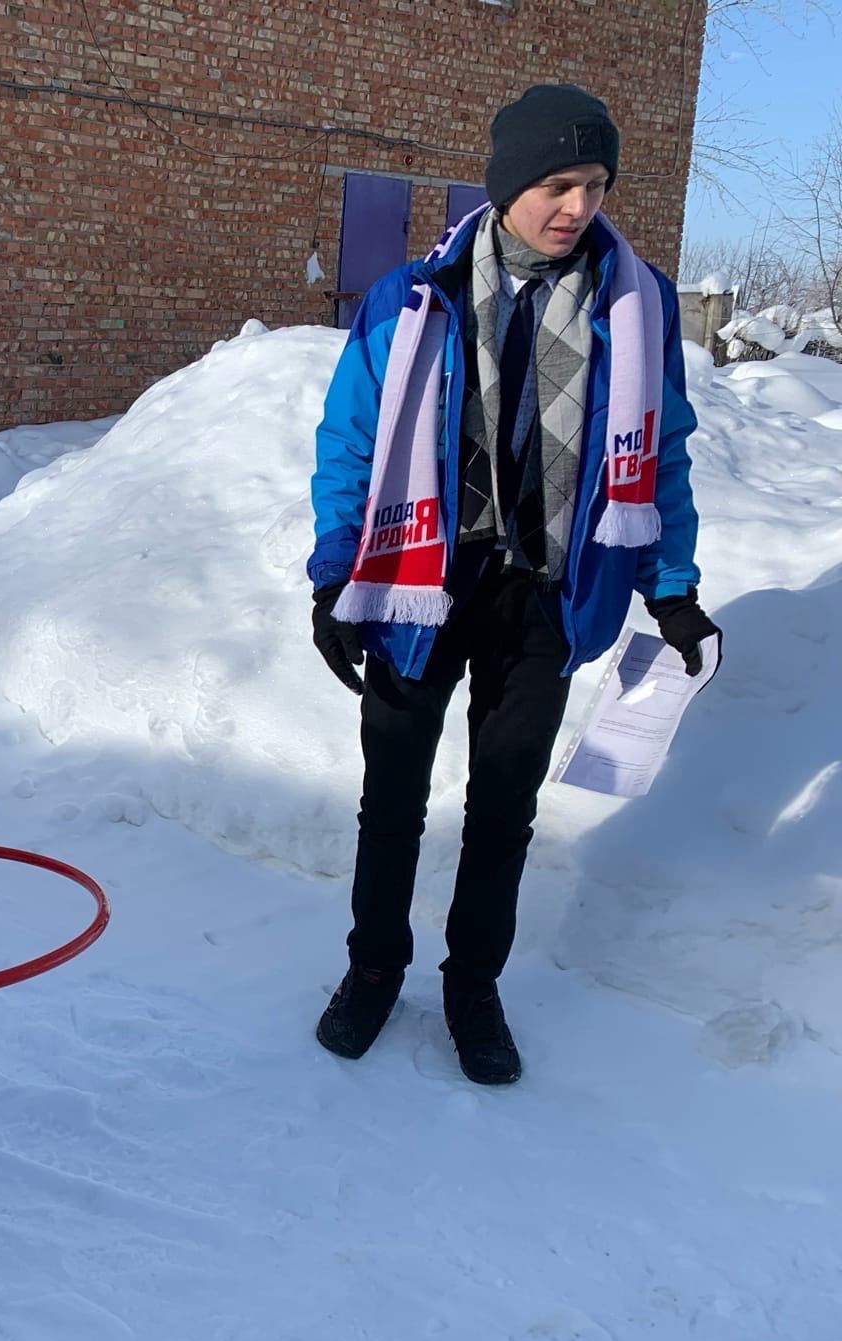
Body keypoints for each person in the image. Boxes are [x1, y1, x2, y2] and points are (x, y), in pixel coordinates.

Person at [305, 86, 721, 1084]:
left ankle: (472, 987)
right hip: (419, 585)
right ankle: (372, 970)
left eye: (595, 185)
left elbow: (659, 454)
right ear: (505, 184)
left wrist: (670, 587)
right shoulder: (411, 298)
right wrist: (333, 580)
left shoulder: (638, 298)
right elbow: (351, 446)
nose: (577, 205)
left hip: (546, 595)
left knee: (503, 804)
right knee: (392, 795)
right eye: (556, 183)